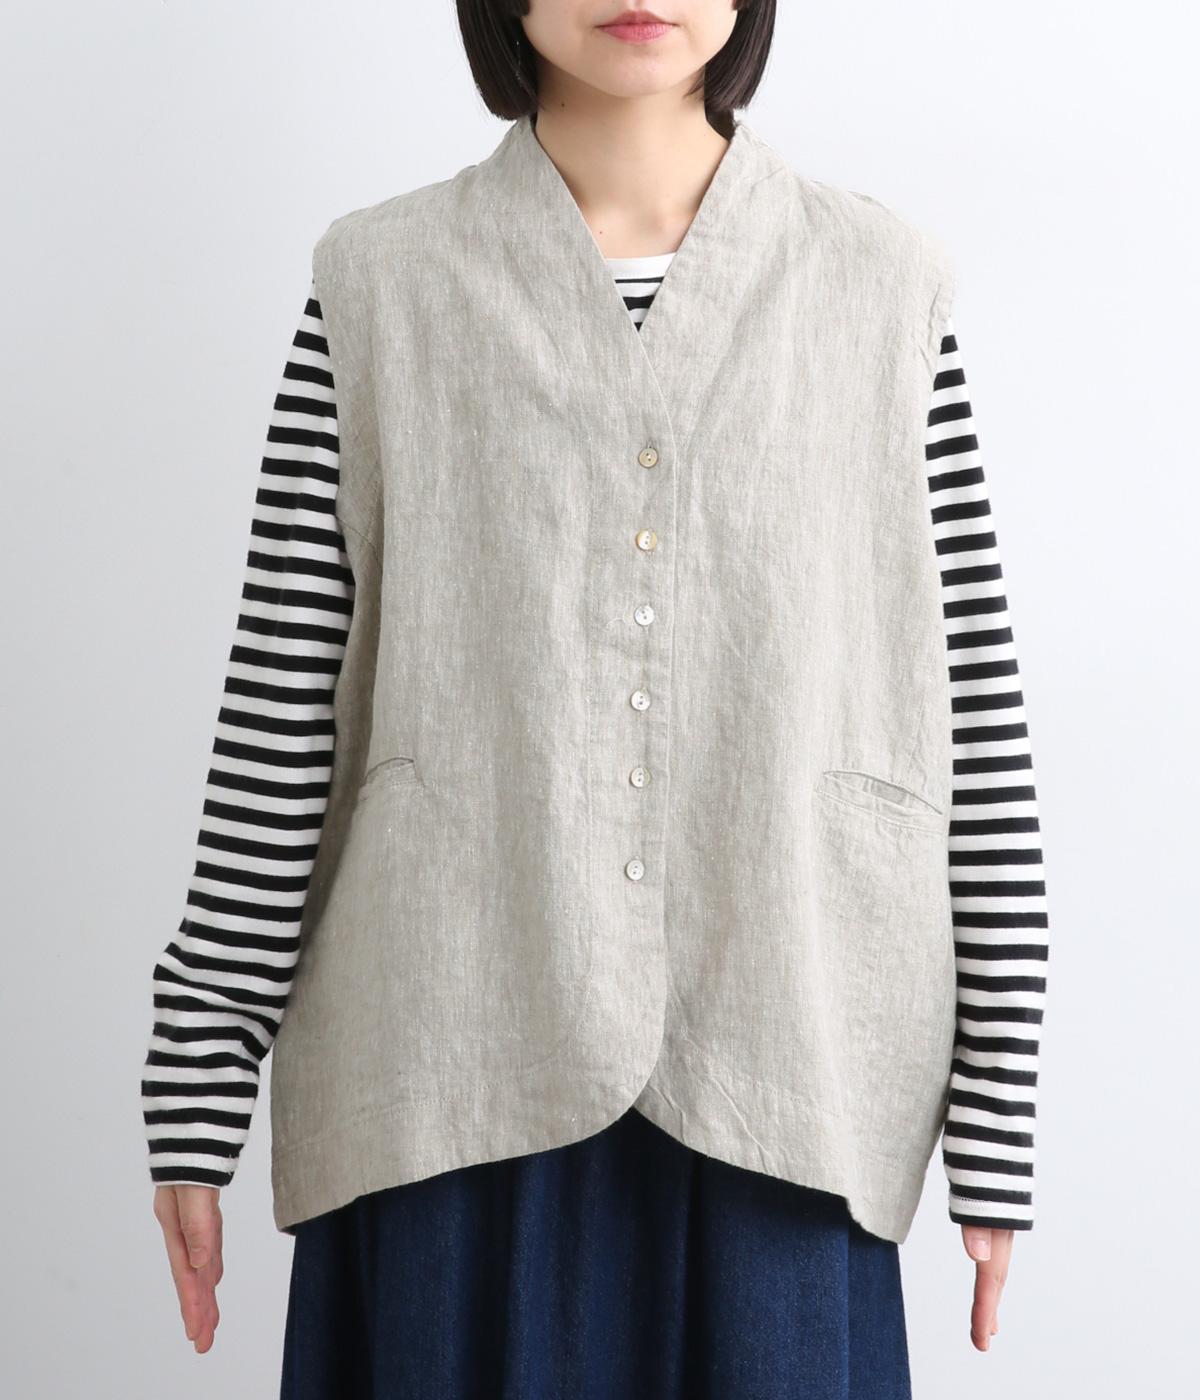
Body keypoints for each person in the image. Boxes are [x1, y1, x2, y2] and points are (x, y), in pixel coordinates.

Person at [142, 3, 1050, 1394]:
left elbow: (969, 718)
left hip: (788, 1082)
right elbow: (280, 717)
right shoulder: (380, 285)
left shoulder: (885, 288)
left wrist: (997, 1104)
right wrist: (197, 1077)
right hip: (447, 1085)